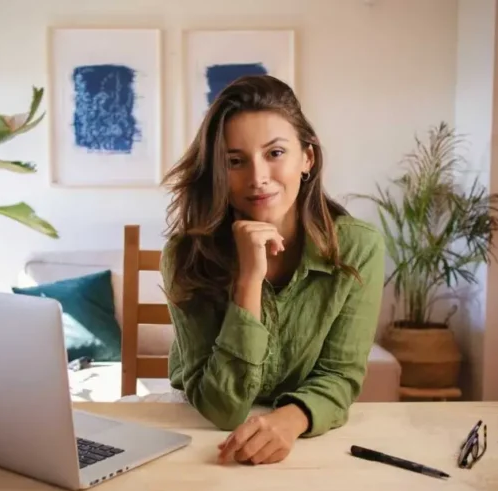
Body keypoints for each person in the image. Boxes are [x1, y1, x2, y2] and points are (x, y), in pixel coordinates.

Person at [160, 75, 385, 466]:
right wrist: (248, 280)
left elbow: (340, 376)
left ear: (307, 159)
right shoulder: (186, 255)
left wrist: (289, 420)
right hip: (201, 441)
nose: (258, 177)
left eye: (275, 153)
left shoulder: (358, 248)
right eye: (235, 161)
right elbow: (222, 408)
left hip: (310, 445)